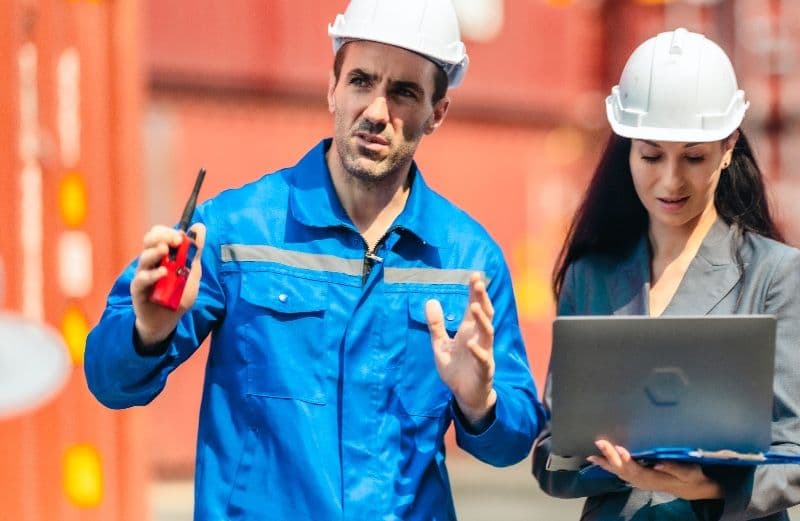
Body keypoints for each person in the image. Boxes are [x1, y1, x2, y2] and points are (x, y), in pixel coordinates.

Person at [84, 1, 544, 519]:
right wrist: (147, 332)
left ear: (437, 112)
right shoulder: (236, 231)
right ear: (332, 87)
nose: (375, 110)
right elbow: (108, 381)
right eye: (361, 81)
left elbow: (512, 441)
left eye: (404, 92)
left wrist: (479, 404)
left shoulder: (468, 262)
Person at [532, 28, 800, 520]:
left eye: (693, 157)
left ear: (728, 146)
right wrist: (611, 464)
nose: (671, 179)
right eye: (651, 155)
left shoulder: (777, 276)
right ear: (627, 148)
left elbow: (795, 449)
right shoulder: (589, 277)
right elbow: (553, 456)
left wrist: (712, 488)